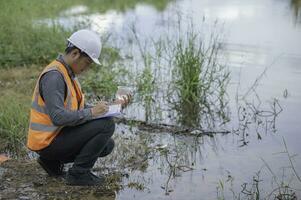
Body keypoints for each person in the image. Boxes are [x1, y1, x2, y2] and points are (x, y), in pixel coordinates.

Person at [26, 29, 130, 186]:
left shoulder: (68, 73)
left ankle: (51, 163)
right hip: (46, 143)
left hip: (55, 137)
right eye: (87, 63)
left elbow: (76, 107)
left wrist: (109, 107)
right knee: (107, 125)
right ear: (75, 53)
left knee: (107, 145)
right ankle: (78, 174)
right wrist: (92, 112)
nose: (87, 68)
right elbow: (58, 117)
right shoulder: (54, 76)